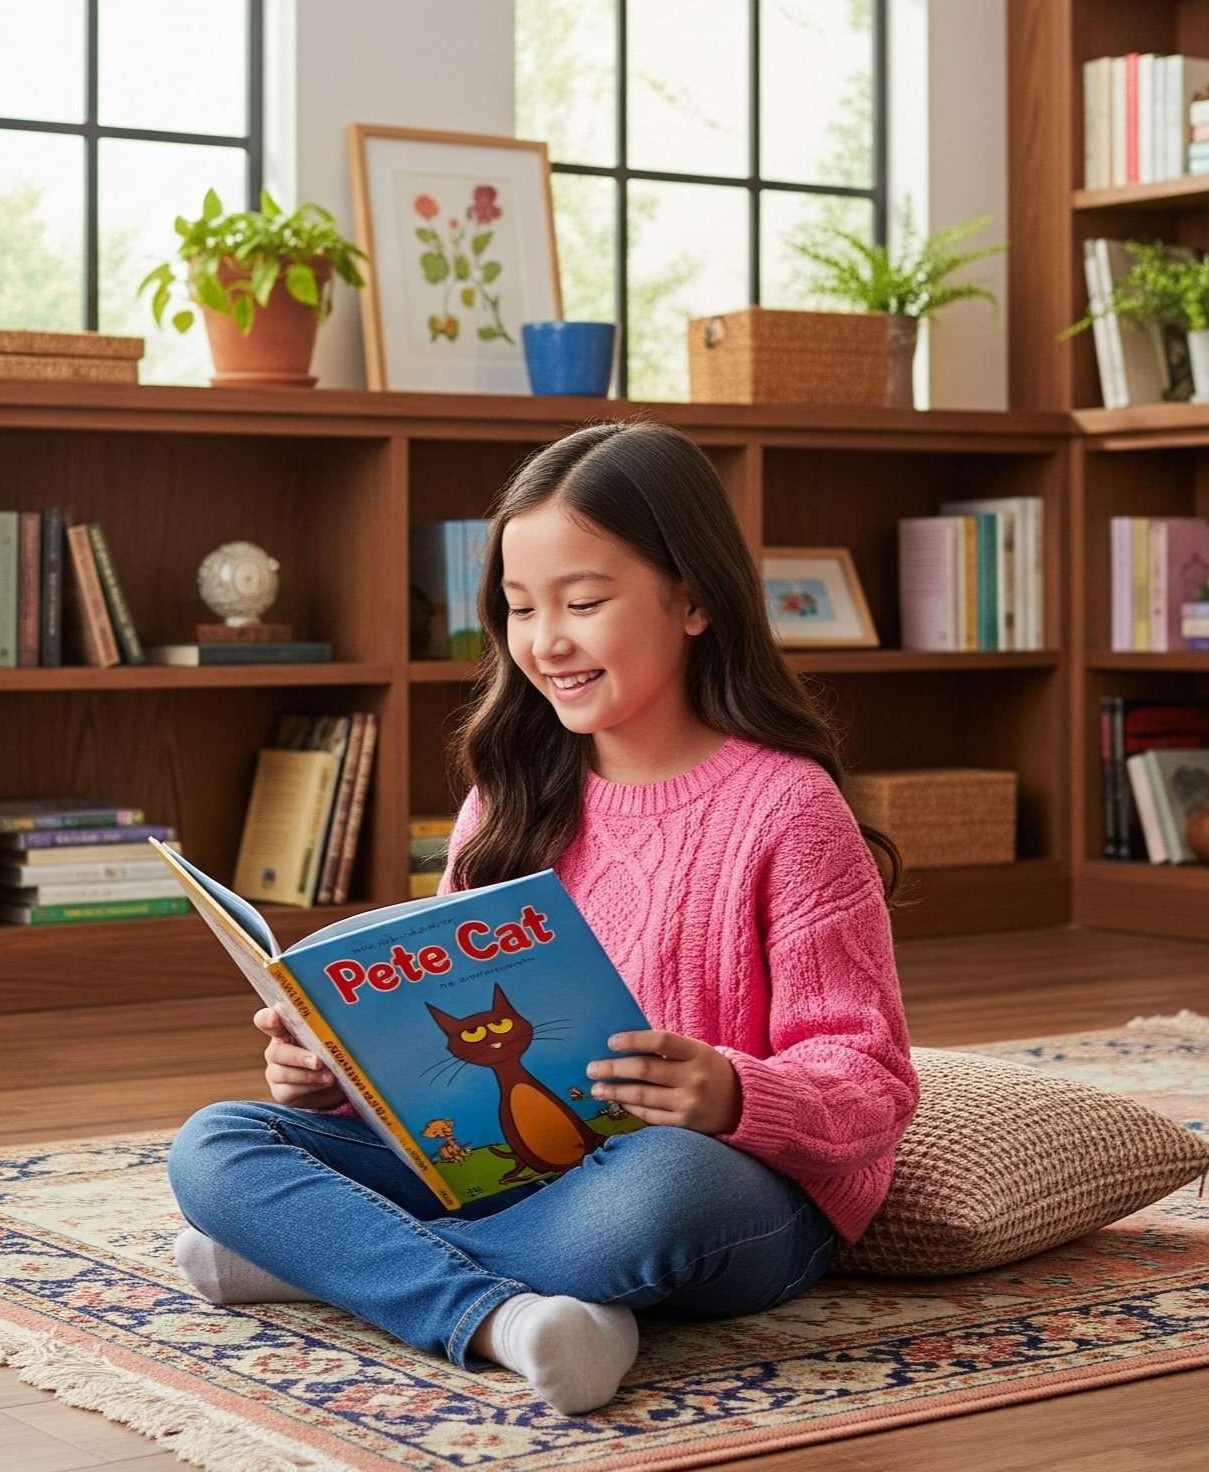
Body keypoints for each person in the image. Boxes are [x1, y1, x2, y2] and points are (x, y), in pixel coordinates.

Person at [168, 421, 917, 1414]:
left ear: (693, 597)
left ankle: (325, 1263)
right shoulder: (511, 796)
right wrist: (339, 1074)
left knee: (660, 1189)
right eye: (521, 609)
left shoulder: (786, 807)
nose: (544, 642)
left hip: (727, 1188)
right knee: (214, 1146)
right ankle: (509, 1317)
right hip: (516, 1179)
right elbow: (436, 1049)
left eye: (585, 601)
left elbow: (871, 1084)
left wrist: (732, 1093)